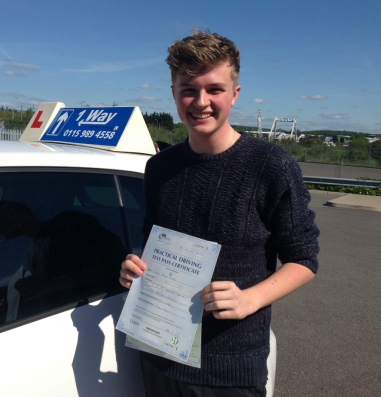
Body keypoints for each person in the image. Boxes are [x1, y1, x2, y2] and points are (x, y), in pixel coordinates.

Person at [120, 31, 319, 397]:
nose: (201, 102)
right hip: (158, 354)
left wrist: (250, 299)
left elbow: (304, 259)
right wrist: (134, 265)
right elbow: (151, 239)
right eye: (188, 89)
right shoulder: (160, 167)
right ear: (174, 93)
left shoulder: (270, 166)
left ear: (235, 94)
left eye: (214, 89)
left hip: (229, 369)